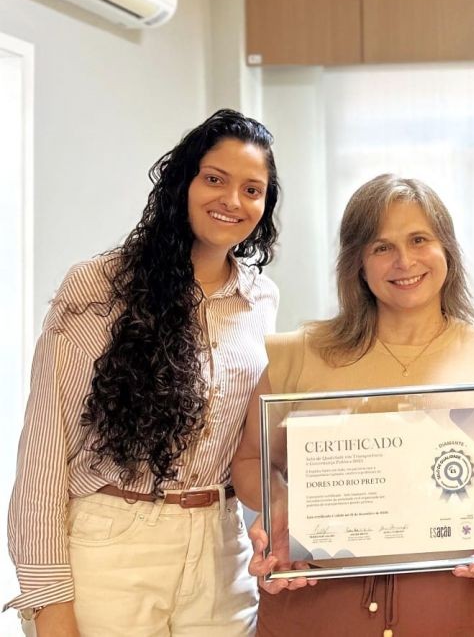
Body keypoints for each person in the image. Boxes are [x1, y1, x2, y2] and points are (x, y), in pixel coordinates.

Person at [6, 109, 282, 636]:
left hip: (222, 551)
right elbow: (42, 454)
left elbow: (253, 445)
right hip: (111, 550)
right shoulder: (99, 285)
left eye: (253, 189)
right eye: (215, 179)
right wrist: (47, 602)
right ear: (182, 181)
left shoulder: (261, 299)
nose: (232, 201)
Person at [231, 174, 474, 637]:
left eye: (419, 239)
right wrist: (282, 506)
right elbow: (252, 460)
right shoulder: (297, 354)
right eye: (381, 247)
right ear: (357, 263)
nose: (404, 261)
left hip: (459, 604)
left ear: (446, 249)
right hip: (319, 603)